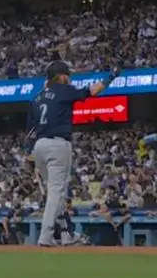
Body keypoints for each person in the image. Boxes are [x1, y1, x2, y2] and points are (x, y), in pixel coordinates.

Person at [27, 59, 107, 247]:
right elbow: (92, 91)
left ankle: (66, 235)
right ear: (61, 76)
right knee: (56, 192)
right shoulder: (63, 89)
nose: (69, 78)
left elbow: (30, 131)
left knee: (57, 192)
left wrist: (28, 152)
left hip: (39, 146)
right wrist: (111, 77)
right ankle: (46, 236)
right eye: (67, 75)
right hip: (58, 144)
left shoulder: (36, 98)